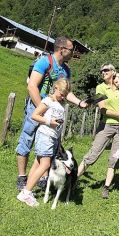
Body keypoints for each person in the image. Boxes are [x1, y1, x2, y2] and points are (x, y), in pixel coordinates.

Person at [15, 36, 87, 191]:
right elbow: (32, 86)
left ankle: (43, 177)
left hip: (52, 111)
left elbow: (65, 92)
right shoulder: (44, 62)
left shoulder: (66, 69)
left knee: (48, 143)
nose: (73, 52)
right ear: (62, 49)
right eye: (71, 49)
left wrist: (80, 102)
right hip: (37, 107)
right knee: (27, 139)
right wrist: (41, 109)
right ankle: (22, 178)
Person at [77, 63, 119, 199]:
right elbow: (103, 110)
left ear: (113, 72)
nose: (103, 72)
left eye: (106, 70)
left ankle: (106, 188)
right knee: (93, 154)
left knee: (115, 158)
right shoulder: (101, 87)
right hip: (106, 125)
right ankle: (73, 179)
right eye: (101, 71)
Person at [17, 78, 71, 207]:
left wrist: (58, 138)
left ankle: (27, 189)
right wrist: (49, 122)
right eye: (61, 93)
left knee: (37, 163)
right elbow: (35, 115)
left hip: (53, 137)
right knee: (45, 165)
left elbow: (59, 123)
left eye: (65, 95)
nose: (62, 96)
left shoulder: (61, 104)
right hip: (45, 135)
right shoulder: (48, 100)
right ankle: (25, 193)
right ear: (55, 88)